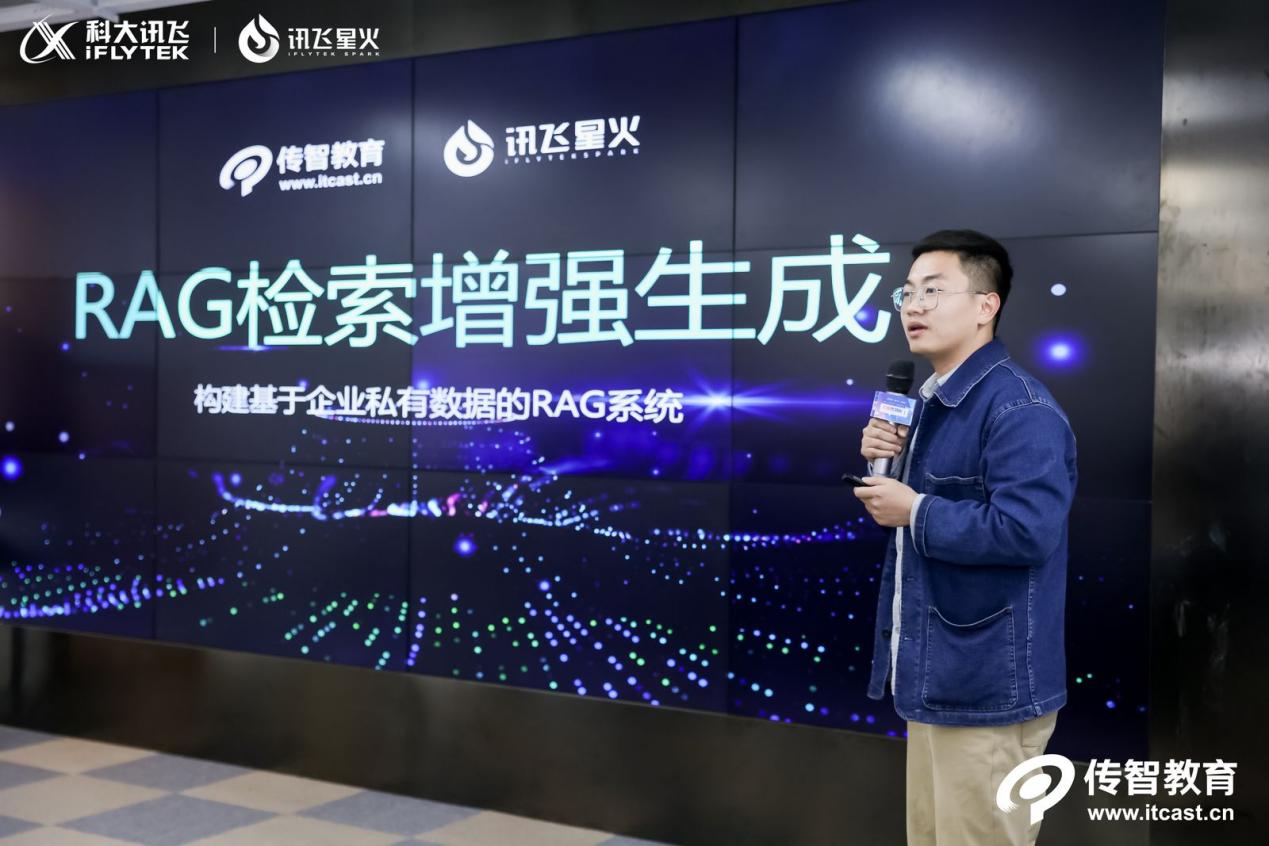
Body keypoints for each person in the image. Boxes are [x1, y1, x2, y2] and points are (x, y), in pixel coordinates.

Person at [853, 230, 1077, 845]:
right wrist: (884, 468)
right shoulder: (931, 403)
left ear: (986, 305)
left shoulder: (1019, 407)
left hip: (988, 689)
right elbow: (916, 515)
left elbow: (1026, 532)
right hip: (936, 678)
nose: (913, 306)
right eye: (907, 293)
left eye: (933, 291)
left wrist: (915, 509)